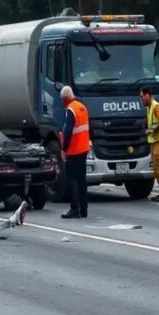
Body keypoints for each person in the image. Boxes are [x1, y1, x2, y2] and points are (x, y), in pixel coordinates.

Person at [60, 86, 90, 219]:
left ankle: (74, 208)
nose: (61, 102)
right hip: (84, 149)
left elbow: (67, 132)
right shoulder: (82, 107)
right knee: (82, 179)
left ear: (66, 98)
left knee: (72, 180)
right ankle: (84, 208)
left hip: (74, 150)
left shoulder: (70, 110)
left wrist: (64, 149)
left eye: (62, 100)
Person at [141, 87, 159, 202]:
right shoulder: (149, 108)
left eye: (142, 96)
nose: (141, 99)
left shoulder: (155, 106)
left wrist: (153, 129)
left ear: (148, 95)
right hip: (155, 141)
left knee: (158, 166)